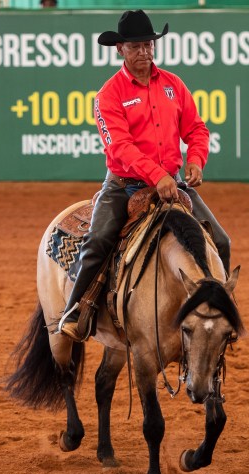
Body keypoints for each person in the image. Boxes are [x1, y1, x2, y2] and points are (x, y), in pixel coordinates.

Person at [57, 10, 230, 342]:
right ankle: (76, 307)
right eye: (136, 47)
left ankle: (218, 308)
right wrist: (158, 176)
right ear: (120, 49)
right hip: (125, 186)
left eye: (149, 45)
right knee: (98, 241)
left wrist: (195, 159)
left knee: (221, 241)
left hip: (172, 184)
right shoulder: (108, 95)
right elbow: (120, 147)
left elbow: (196, 128)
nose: (144, 53)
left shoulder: (173, 85)